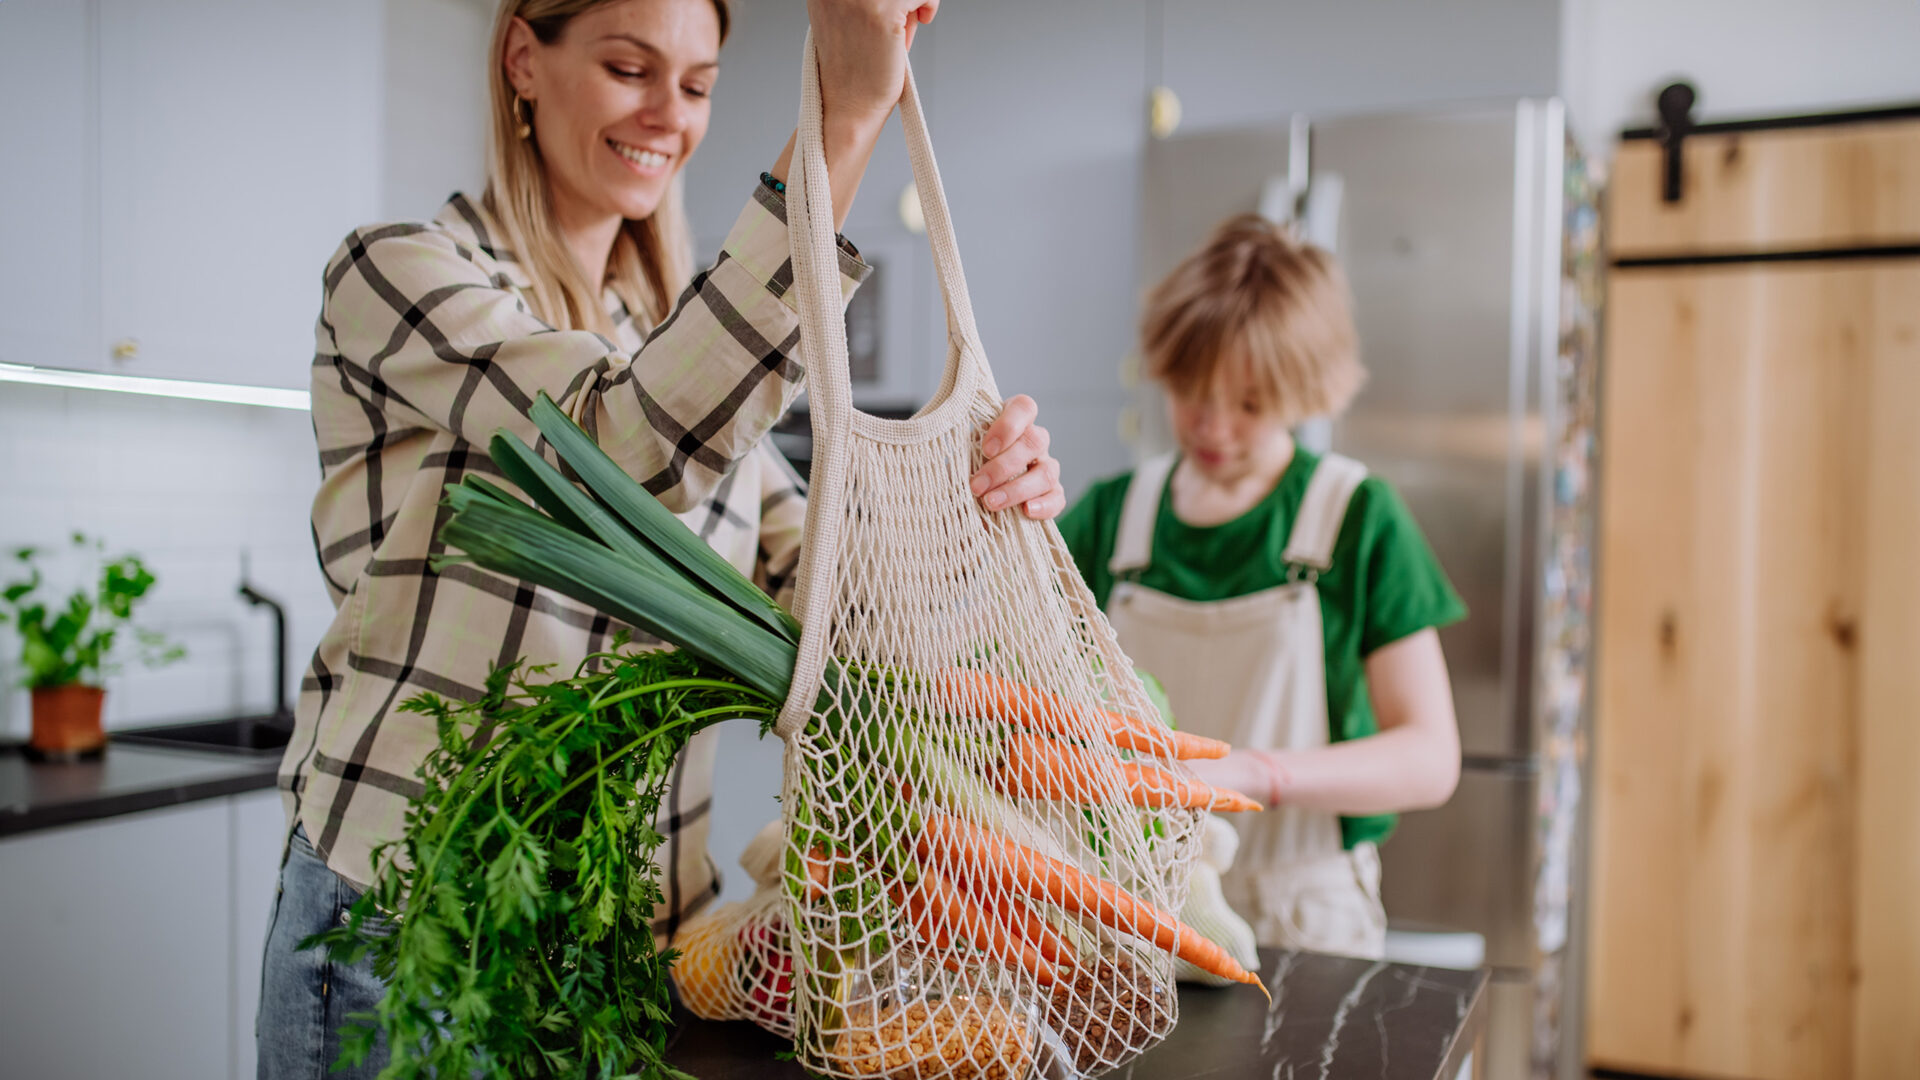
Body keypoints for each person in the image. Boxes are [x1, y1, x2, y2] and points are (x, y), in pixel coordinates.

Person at [258, 1, 1067, 1074]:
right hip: (414, 923)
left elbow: (839, 603)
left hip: (620, 947)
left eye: (695, 85)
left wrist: (971, 499)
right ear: (523, 60)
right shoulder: (398, 276)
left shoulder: (676, 350)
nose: (666, 115)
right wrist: (849, 111)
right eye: (630, 68)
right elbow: (618, 443)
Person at [1058, 214, 1463, 960]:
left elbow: (1430, 758)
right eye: (1189, 391)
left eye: (1248, 404)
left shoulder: (1358, 518)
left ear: (1306, 391)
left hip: (1303, 914)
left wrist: (1253, 773)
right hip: (1132, 907)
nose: (1212, 426)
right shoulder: (1112, 517)